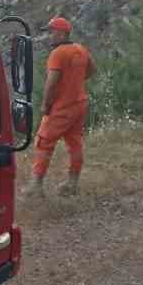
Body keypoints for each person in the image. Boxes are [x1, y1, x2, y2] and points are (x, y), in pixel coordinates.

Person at [32, 16, 95, 195]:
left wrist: (45, 104)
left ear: (61, 33)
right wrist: (74, 81)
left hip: (62, 107)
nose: (49, 36)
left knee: (44, 143)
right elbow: (92, 69)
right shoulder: (80, 49)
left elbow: (51, 83)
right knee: (75, 143)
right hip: (80, 104)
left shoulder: (58, 53)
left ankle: (36, 186)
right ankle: (72, 184)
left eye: (51, 32)